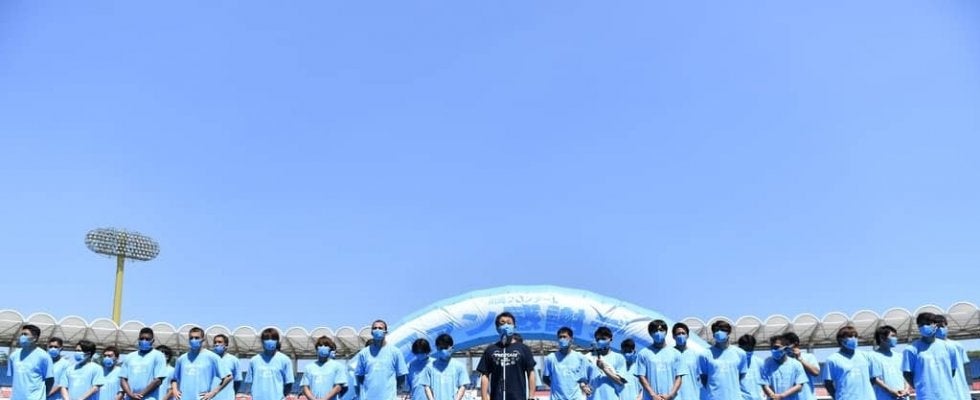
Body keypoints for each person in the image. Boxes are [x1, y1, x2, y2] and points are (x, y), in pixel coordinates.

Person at [476, 311, 537, 400]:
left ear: (514, 327)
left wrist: (531, 396)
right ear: (497, 328)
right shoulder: (491, 350)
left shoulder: (523, 349)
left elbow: (531, 372)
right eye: (502, 323)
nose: (506, 326)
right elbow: (485, 375)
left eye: (509, 323)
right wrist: (484, 397)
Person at [902, 312, 959, 400]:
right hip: (925, 397)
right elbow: (907, 373)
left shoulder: (949, 348)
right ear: (918, 327)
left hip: (948, 396)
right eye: (922, 324)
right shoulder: (911, 350)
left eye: (928, 323)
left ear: (936, 325)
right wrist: (921, 387)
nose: (925, 326)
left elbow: (952, 371)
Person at [170, 327, 233, 400]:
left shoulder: (212, 357)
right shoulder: (182, 358)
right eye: (191, 338)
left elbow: (228, 377)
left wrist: (213, 393)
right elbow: (174, 379)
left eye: (197, 338)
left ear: (203, 339)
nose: (193, 340)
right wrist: (175, 390)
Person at [355, 320, 407, 400]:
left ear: (386, 332)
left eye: (380, 328)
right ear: (372, 332)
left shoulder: (395, 352)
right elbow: (359, 376)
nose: (377, 330)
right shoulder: (363, 353)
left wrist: (397, 393)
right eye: (375, 328)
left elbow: (401, 376)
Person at [635, 319, 684, 400]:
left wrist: (671, 395)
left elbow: (679, 377)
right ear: (650, 334)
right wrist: (653, 395)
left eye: (661, 330)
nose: (658, 333)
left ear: (666, 332)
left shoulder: (676, 353)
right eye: (655, 331)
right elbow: (641, 376)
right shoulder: (643, 354)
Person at [698, 320, 747, 400]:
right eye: (716, 330)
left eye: (722, 330)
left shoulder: (740, 353)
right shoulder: (705, 354)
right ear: (713, 334)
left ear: (729, 332)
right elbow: (704, 378)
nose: (719, 332)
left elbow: (741, 376)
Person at [822, 326, 875, 400]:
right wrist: (837, 396)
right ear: (841, 339)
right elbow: (828, 383)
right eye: (850, 336)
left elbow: (873, 378)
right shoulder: (832, 360)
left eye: (855, 336)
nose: (854, 339)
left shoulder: (866, 356)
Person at [245, 328, 294, 400]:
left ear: (277, 341)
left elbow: (289, 383)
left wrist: (282, 396)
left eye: (273, 339)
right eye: (267, 339)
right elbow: (249, 382)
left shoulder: (285, 360)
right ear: (262, 341)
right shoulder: (254, 360)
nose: (270, 341)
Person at [120, 327, 168, 400]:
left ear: (152, 341)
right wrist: (131, 394)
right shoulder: (129, 356)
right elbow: (123, 379)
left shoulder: (158, 355)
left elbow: (158, 380)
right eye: (141, 339)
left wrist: (140, 395)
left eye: (147, 339)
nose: (144, 341)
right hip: (130, 398)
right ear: (138, 339)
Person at [542, 326, 589, 400]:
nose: (562, 339)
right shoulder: (551, 358)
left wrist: (584, 387)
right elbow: (545, 378)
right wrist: (556, 387)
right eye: (560, 337)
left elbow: (582, 379)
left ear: (571, 339)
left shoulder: (580, 358)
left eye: (564, 337)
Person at [9, 324, 54, 400]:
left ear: (34, 338)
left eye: (25, 334)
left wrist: (43, 395)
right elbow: (14, 377)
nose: (22, 337)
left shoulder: (43, 356)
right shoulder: (13, 356)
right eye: (22, 334)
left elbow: (50, 380)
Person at [419, 333, 469, 400]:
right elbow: (427, 387)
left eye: (445, 348)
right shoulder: (429, 367)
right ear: (437, 348)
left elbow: (463, 386)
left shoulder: (460, 366)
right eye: (440, 348)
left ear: (452, 348)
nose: (443, 351)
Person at [584, 326, 627, 400]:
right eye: (598, 339)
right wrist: (583, 386)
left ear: (611, 339)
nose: (600, 341)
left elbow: (621, 382)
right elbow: (581, 379)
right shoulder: (588, 357)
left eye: (603, 339)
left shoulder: (619, 358)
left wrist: (604, 369)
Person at [935, 315, 972, 400]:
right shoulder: (929, 348)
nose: (940, 329)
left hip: (960, 392)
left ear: (946, 327)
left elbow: (966, 368)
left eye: (942, 326)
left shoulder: (958, 345)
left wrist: (969, 387)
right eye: (937, 327)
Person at [869, 326, 910, 400]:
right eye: (893, 336)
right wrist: (891, 391)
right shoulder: (872, 356)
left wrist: (906, 389)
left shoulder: (900, 356)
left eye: (896, 336)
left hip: (903, 397)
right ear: (882, 338)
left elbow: (905, 375)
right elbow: (874, 379)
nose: (896, 339)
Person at [759, 335, 805, 400]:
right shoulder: (766, 363)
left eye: (776, 347)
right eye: (772, 347)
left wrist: (782, 396)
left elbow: (799, 386)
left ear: (785, 348)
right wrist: (773, 396)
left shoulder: (796, 364)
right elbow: (764, 384)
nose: (774, 350)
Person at [300, 336, 346, 400]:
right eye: (320, 345)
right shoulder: (308, 367)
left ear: (330, 349)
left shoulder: (338, 366)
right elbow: (305, 387)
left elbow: (338, 387)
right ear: (316, 349)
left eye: (326, 345)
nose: (323, 347)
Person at [781, 333, 818, 400]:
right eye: (783, 345)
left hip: (807, 397)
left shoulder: (809, 357)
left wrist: (800, 359)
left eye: (787, 344)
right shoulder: (782, 360)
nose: (784, 348)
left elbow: (816, 372)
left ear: (795, 343)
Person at [671, 323, 702, 400]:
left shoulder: (696, 355)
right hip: (674, 397)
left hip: (693, 397)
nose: (681, 335)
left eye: (683, 333)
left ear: (687, 336)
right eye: (678, 334)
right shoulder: (668, 354)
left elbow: (701, 378)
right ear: (673, 336)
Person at [210, 335, 241, 400]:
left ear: (226, 345)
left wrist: (232, 394)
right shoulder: (209, 360)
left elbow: (237, 381)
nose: (216, 344)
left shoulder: (234, 360)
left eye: (219, 342)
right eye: (215, 342)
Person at [736, 335, 764, 400]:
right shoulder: (735, 363)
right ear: (739, 348)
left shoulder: (760, 362)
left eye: (750, 349)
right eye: (745, 349)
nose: (748, 351)